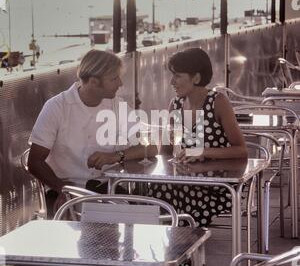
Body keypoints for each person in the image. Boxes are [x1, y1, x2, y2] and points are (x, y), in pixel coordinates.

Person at [28, 49, 157, 213]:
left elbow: (152, 147)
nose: (120, 83)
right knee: (131, 216)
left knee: (150, 213)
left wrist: (115, 156)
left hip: (105, 189)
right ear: (94, 82)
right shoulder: (57, 107)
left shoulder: (116, 106)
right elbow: (34, 162)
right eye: (114, 78)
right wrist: (63, 189)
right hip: (64, 191)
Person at [148, 47, 247, 228]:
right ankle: (177, 244)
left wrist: (203, 151)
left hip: (216, 187)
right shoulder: (176, 104)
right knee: (152, 189)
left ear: (196, 78)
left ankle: (181, 243)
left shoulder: (217, 102)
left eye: (177, 76)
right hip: (184, 182)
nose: (171, 82)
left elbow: (241, 150)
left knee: (167, 195)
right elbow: (166, 151)